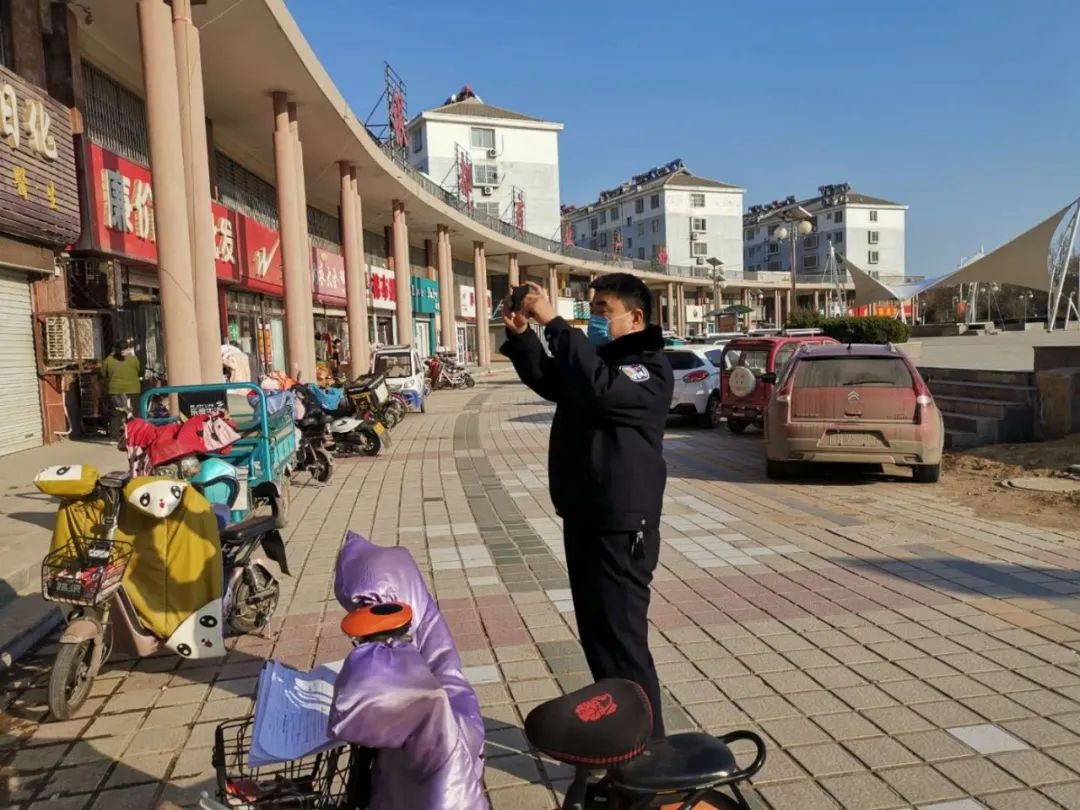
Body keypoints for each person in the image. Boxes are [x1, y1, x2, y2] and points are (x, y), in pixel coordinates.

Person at [500, 273, 672, 737]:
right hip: (585, 515)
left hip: (621, 526)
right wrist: (521, 335)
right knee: (598, 640)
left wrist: (555, 321)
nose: (595, 319)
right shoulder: (599, 363)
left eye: (602, 311)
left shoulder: (648, 368)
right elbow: (552, 380)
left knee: (623, 644)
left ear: (635, 318)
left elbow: (599, 388)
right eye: (591, 310)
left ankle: (648, 753)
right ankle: (621, 739)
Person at [101, 339, 142, 439]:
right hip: (133, 389)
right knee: (133, 412)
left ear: (115, 349)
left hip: (115, 390)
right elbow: (140, 372)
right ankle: (134, 435)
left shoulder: (108, 360)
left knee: (116, 413)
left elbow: (103, 374)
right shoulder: (133, 359)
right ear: (127, 348)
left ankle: (114, 436)